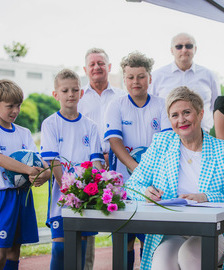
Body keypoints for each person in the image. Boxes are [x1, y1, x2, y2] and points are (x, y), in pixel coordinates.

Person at [128, 86, 224, 270]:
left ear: (200, 114)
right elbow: (132, 184)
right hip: (172, 232)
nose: (181, 120)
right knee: (161, 264)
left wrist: (206, 197)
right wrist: (145, 192)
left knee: (189, 256)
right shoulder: (161, 144)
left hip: (214, 232)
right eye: (174, 115)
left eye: (187, 112)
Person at [104, 51, 171, 270]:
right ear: (124, 79)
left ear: (150, 78)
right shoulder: (116, 105)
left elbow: (167, 141)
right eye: (130, 77)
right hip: (124, 182)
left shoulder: (162, 104)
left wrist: (147, 173)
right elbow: (114, 141)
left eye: (141, 76)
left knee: (150, 238)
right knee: (125, 239)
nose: (136, 82)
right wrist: (136, 168)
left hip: (155, 183)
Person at [40, 69, 104, 270]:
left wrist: (91, 189)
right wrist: (69, 191)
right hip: (62, 199)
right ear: (56, 94)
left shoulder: (91, 126)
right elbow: (54, 162)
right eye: (65, 90)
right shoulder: (50, 124)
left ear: (81, 93)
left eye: (75, 90)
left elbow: (96, 164)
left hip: (86, 199)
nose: (70, 94)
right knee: (60, 250)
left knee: (81, 254)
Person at [79, 47, 124, 269]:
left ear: (109, 67)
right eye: (92, 64)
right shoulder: (78, 97)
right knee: (86, 220)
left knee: (123, 217)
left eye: (101, 63)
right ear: (86, 69)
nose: (97, 67)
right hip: (88, 164)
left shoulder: (121, 96)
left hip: (118, 160)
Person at [0, 79, 51, 270]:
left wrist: (44, 173)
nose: (15, 110)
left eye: (18, 105)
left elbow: (37, 159)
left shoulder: (24, 133)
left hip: (22, 196)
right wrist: (28, 170)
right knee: (1, 252)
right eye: (10, 106)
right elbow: (2, 158)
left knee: (14, 249)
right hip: (3, 197)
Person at [149, 32, 221, 132]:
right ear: (171, 50)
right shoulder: (157, 76)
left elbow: (216, 107)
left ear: (195, 49)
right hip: (167, 136)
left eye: (189, 46)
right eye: (179, 46)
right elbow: (151, 107)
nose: (184, 50)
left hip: (203, 135)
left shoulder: (209, 75)